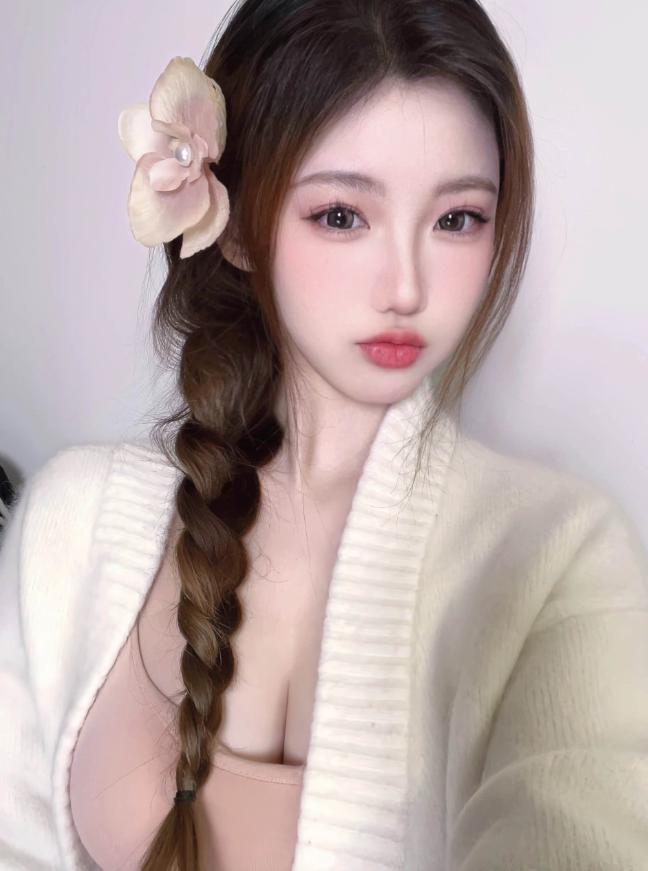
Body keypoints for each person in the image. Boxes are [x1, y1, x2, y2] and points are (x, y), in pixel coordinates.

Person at [2, 0, 648, 869]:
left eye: (457, 218)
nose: (407, 287)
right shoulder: (70, 522)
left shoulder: (556, 556)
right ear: (235, 225)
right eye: (343, 215)